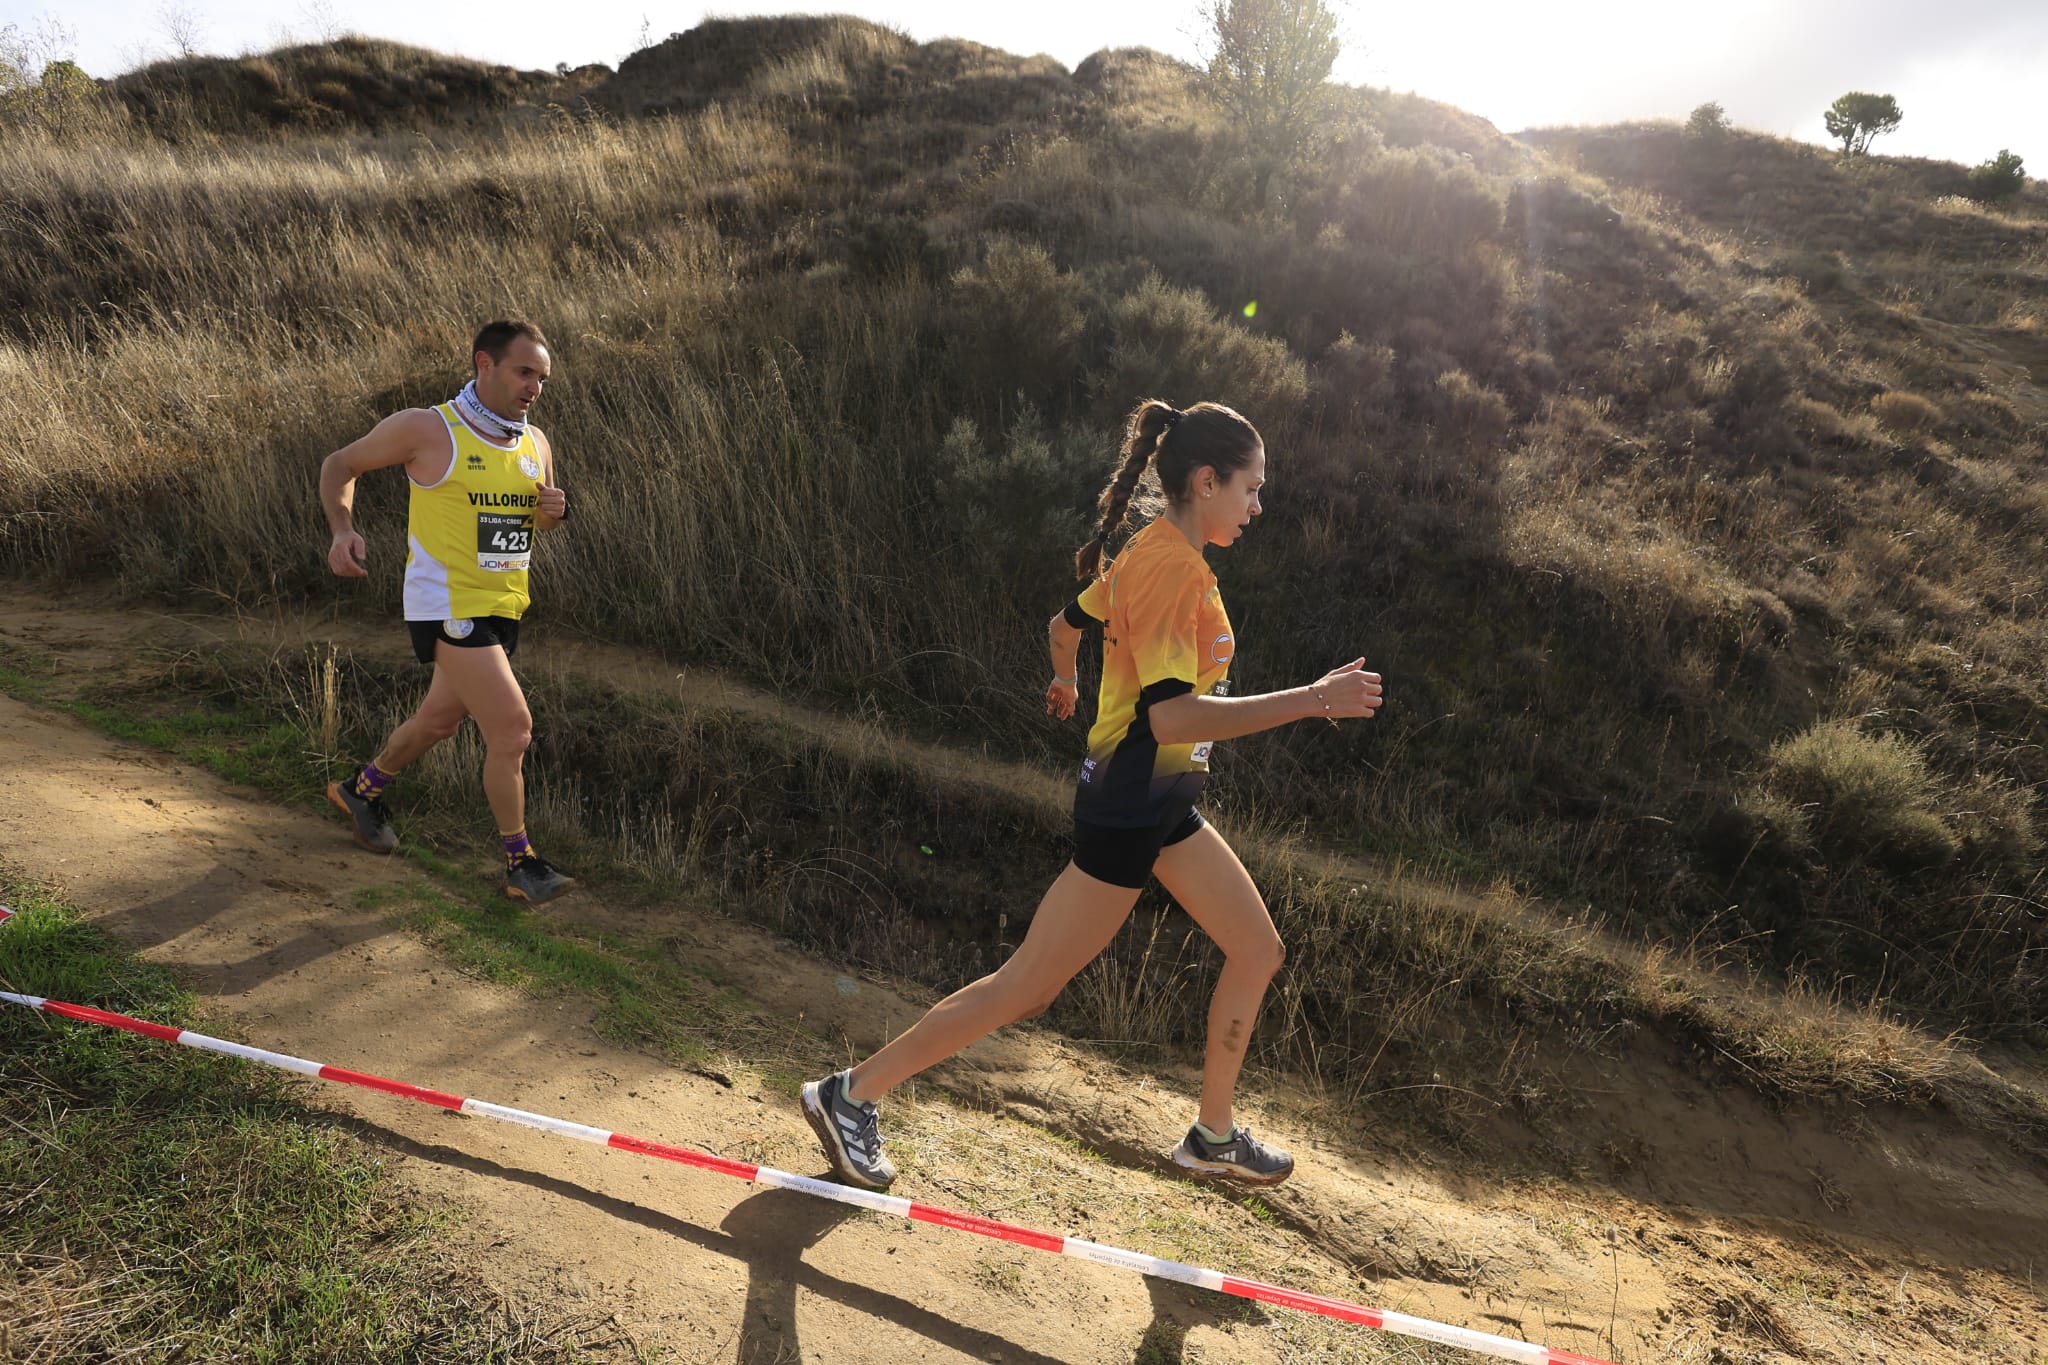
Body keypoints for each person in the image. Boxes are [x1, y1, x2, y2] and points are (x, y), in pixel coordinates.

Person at [803, 399, 1382, 1190]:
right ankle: (851, 1093)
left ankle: (1213, 1135)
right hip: (1129, 807)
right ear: (1206, 481)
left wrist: (1065, 678)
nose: (1257, 506)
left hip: (1163, 802)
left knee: (1258, 947)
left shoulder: (1150, 550)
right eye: (1250, 488)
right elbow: (1172, 714)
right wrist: (1313, 699)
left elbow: (1063, 623)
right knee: (1026, 987)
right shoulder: (1172, 570)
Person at [318, 319, 576, 905]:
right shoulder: (430, 429)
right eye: (524, 372)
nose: (535, 387)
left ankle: (361, 790)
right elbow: (339, 465)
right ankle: (521, 863)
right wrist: (342, 531)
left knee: (439, 721)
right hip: (447, 606)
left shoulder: (535, 443)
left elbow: (536, 522)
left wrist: (552, 513)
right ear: (484, 364)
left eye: (542, 378)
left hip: (504, 607)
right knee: (513, 729)